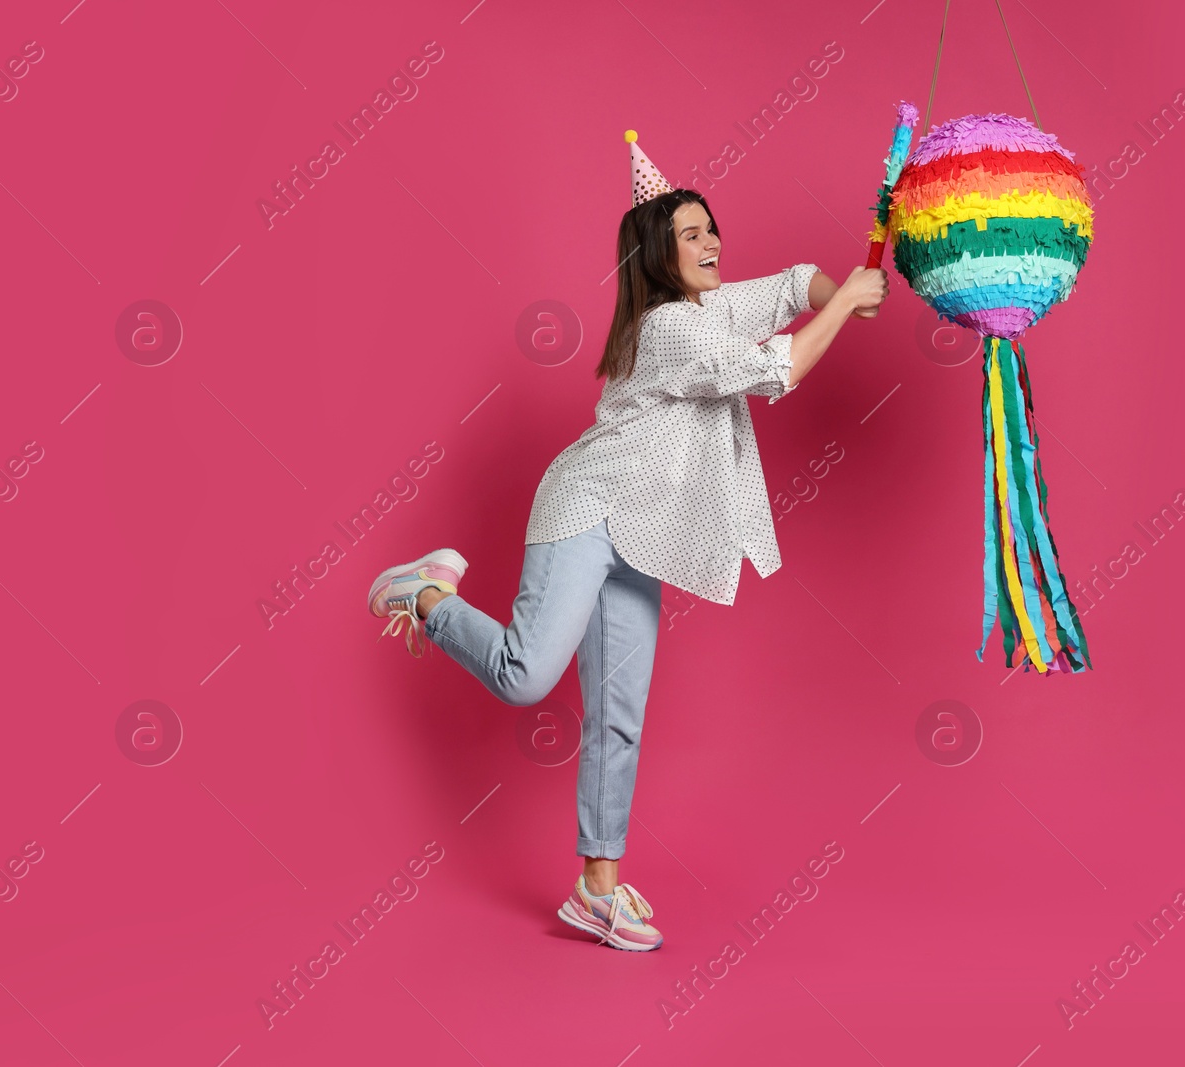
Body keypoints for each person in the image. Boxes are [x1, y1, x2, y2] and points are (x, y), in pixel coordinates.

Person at [366, 131, 887, 951]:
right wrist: (849, 300)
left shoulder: (706, 309)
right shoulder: (671, 329)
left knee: (619, 715)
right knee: (524, 673)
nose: (712, 241)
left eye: (712, 227)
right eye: (691, 233)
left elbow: (790, 287)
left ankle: (595, 891)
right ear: (657, 253)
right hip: (586, 507)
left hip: (642, 531)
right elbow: (778, 372)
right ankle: (427, 592)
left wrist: (840, 290)